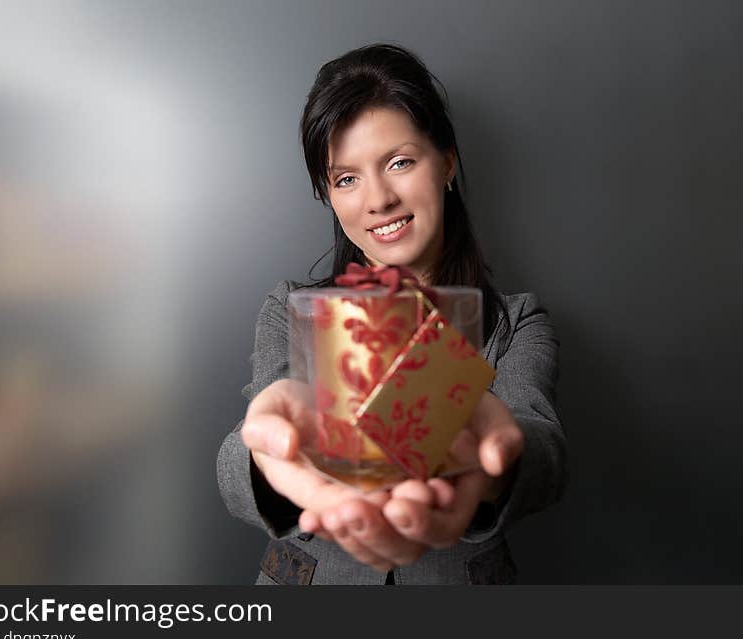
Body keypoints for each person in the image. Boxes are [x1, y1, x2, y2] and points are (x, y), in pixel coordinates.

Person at [217, 43, 566, 584]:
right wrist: (269, 455)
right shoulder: (290, 311)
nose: (377, 199)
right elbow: (238, 462)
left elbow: (545, 455)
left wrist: (489, 460)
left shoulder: (515, 321)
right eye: (346, 178)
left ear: (447, 162)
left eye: (399, 162)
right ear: (328, 194)